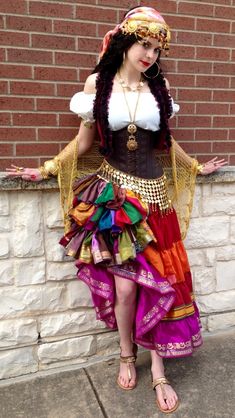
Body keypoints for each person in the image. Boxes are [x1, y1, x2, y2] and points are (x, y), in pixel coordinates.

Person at [7, 6, 227, 414]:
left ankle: (158, 367)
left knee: (160, 284)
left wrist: (194, 166)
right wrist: (47, 169)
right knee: (126, 287)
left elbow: (166, 144)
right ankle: (127, 353)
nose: (150, 55)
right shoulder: (97, 85)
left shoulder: (158, 92)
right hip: (115, 203)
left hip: (155, 199)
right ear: (126, 41)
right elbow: (84, 144)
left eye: (157, 49)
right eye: (144, 45)